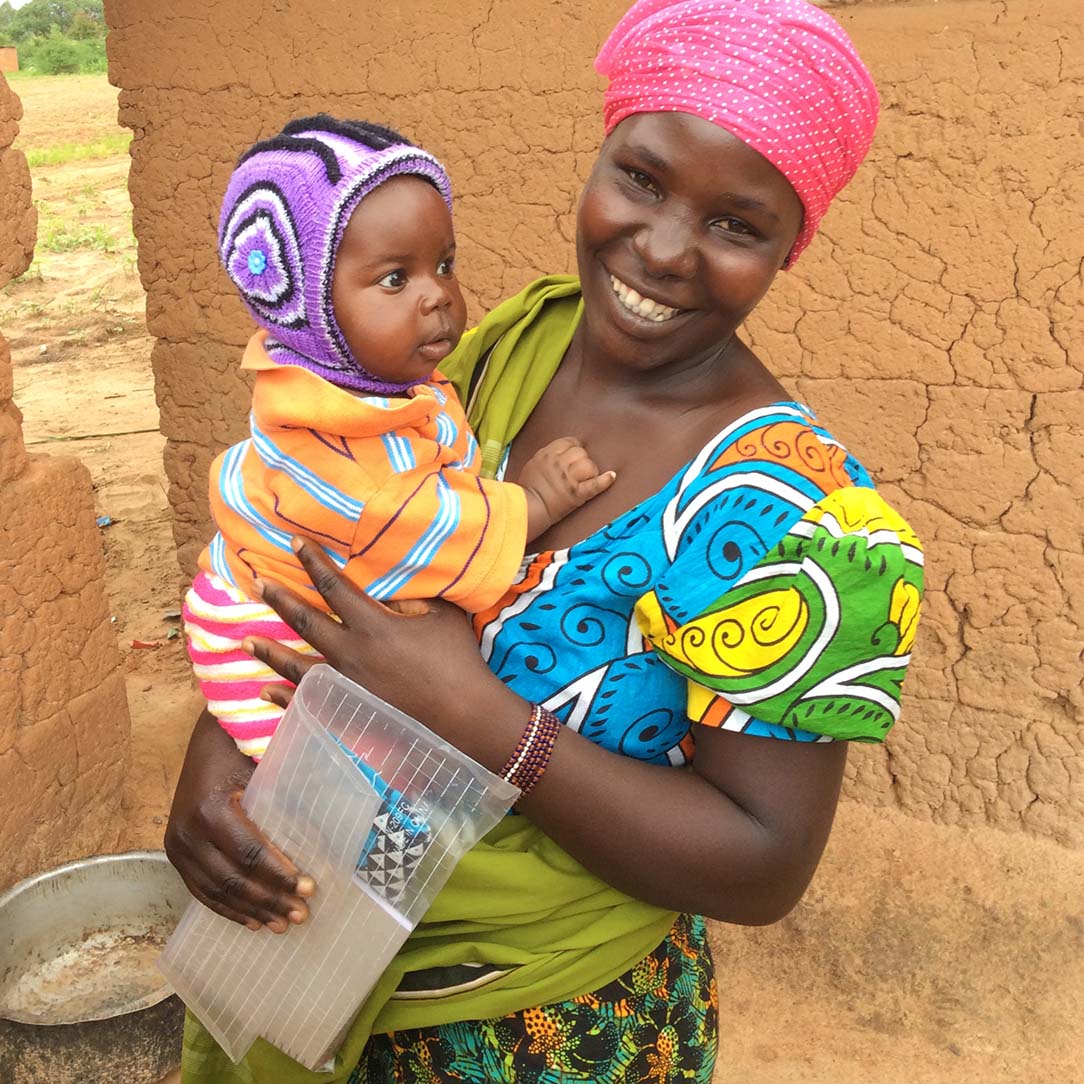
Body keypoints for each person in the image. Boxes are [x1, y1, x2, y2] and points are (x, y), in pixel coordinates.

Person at [166, 1, 925, 1081]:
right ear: (601, 151)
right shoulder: (500, 345)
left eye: (736, 223)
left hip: (550, 1027)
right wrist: (216, 761)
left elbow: (764, 866)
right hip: (316, 952)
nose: (662, 250)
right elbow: (313, 547)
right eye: (642, 178)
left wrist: (479, 717)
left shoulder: (804, 521)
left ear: (789, 246)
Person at [183, 115, 614, 760]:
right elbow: (419, 520)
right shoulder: (341, 457)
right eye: (394, 279)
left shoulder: (376, 381)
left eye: (444, 265)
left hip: (297, 604)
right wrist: (539, 502)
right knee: (342, 790)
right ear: (313, 309)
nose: (437, 296)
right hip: (263, 641)